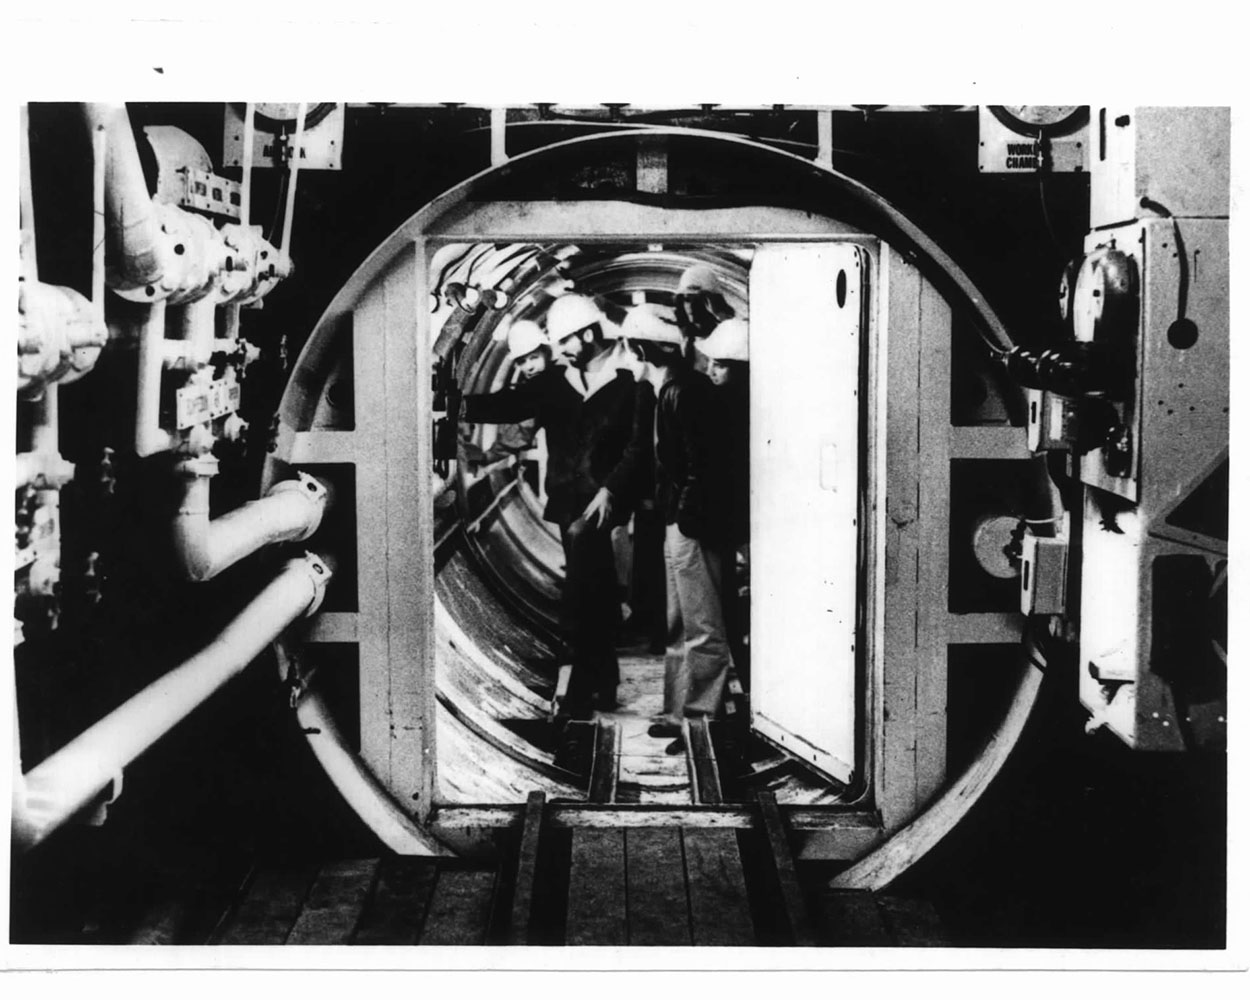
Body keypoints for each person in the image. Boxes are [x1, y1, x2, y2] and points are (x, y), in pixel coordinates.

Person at [461, 294, 638, 718]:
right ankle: (604, 679)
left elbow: (634, 446)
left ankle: (579, 689)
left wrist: (613, 490)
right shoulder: (556, 384)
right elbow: (509, 405)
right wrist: (458, 403)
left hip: (601, 503)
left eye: (569, 341)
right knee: (592, 589)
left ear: (591, 334)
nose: (561, 350)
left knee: (582, 590)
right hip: (566, 501)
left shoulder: (625, 383)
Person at [629, 302, 735, 754]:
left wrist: (686, 520)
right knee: (679, 625)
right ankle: (677, 712)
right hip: (679, 523)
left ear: (639, 348)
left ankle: (701, 723)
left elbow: (701, 465)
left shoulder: (683, 393)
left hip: (692, 527)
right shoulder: (673, 388)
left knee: (703, 626)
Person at [697, 317, 751, 690]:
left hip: (742, 526)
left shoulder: (726, 407)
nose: (711, 371)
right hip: (738, 525)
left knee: (736, 614)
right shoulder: (726, 402)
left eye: (720, 365)